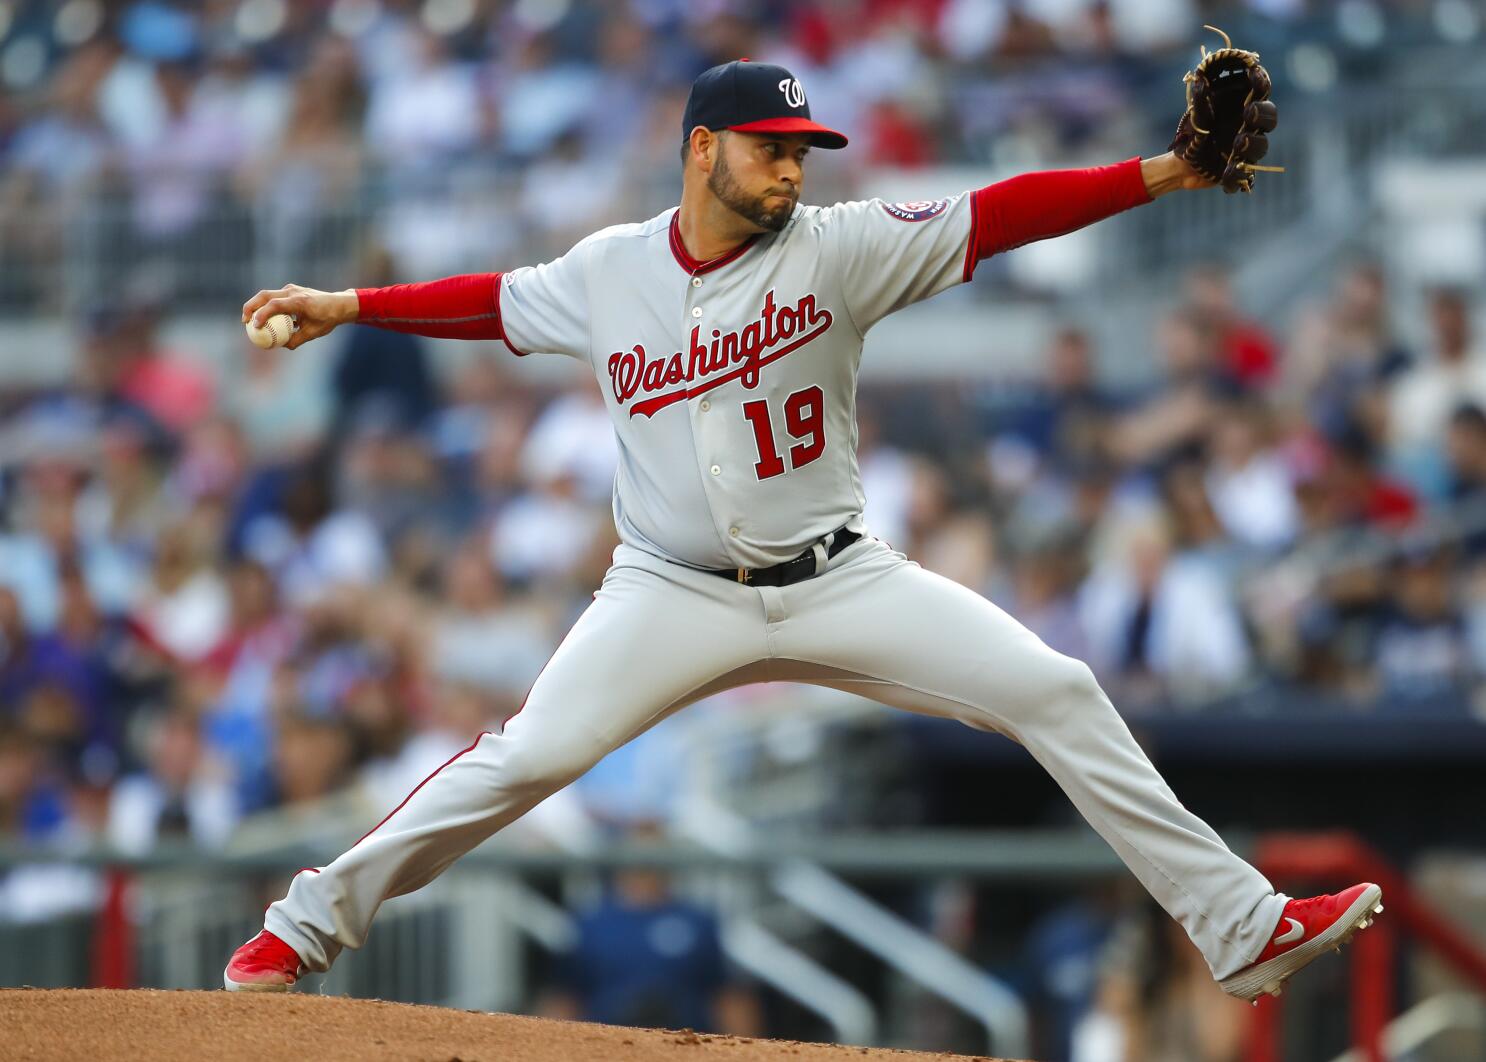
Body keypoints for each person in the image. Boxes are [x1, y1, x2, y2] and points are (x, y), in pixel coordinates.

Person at [225, 60, 1380, 1006]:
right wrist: (349, 306)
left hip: (840, 577)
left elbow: (1005, 211)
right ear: (700, 150)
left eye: (799, 148)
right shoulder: (610, 270)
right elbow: (493, 299)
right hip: (669, 590)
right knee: (526, 757)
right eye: (770, 145)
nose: (790, 166)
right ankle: (300, 929)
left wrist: (1165, 171)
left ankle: (1240, 925)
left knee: (1057, 687)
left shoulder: (841, 245)